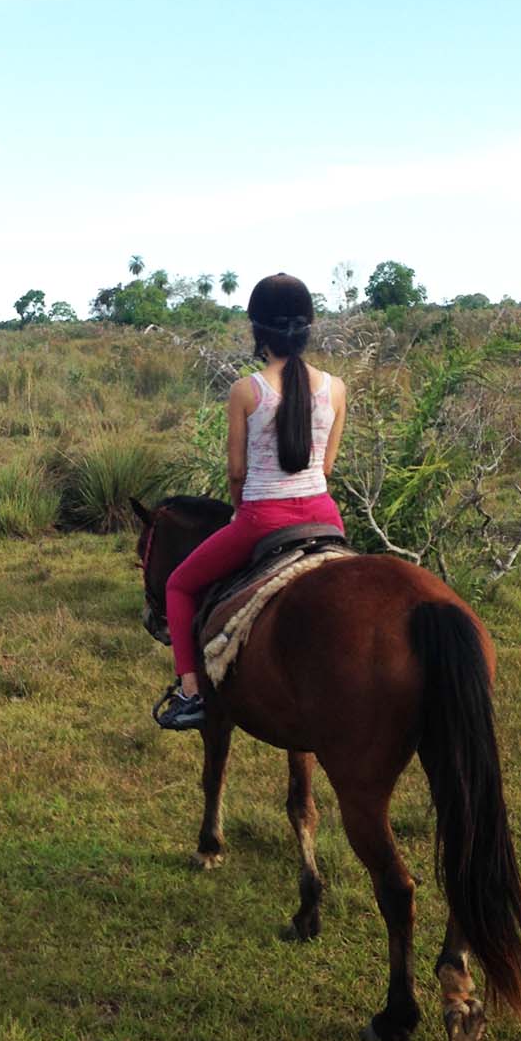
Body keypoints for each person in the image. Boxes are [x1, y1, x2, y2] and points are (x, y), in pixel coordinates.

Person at [154, 273, 347, 730]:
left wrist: (241, 510)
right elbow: (326, 470)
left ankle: (190, 693)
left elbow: (236, 472)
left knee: (178, 587)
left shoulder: (247, 390)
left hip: (263, 517)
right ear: (308, 328)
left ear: (258, 330)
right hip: (324, 515)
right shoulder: (336, 388)